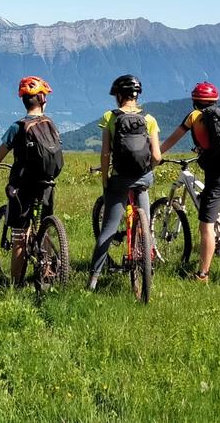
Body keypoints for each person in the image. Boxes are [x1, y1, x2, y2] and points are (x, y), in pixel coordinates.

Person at [0, 76, 63, 285]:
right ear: (42, 99)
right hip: (47, 183)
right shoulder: (51, 124)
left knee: (19, 237)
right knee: (44, 228)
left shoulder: (17, 127)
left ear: (23, 100)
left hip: (23, 186)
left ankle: (15, 286)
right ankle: (47, 271)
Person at [160, 81, 220, 283]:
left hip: (217, 175)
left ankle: (202, 275)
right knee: (219, 200)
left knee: (205, 226)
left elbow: (174, 137)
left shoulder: (195, 116)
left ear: (195, 101)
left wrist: (158, 154)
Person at [87, 75, 162, 290]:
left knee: (109, 228)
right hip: (143, 178)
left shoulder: (110, 117)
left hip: (119, 179)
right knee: (145, 224)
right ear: (137, 96)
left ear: (119, 96)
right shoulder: (149, 119)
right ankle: (146, 265)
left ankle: (93, 280)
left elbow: (105, 154)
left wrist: (105, 182)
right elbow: (156, 156)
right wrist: (148, 172)